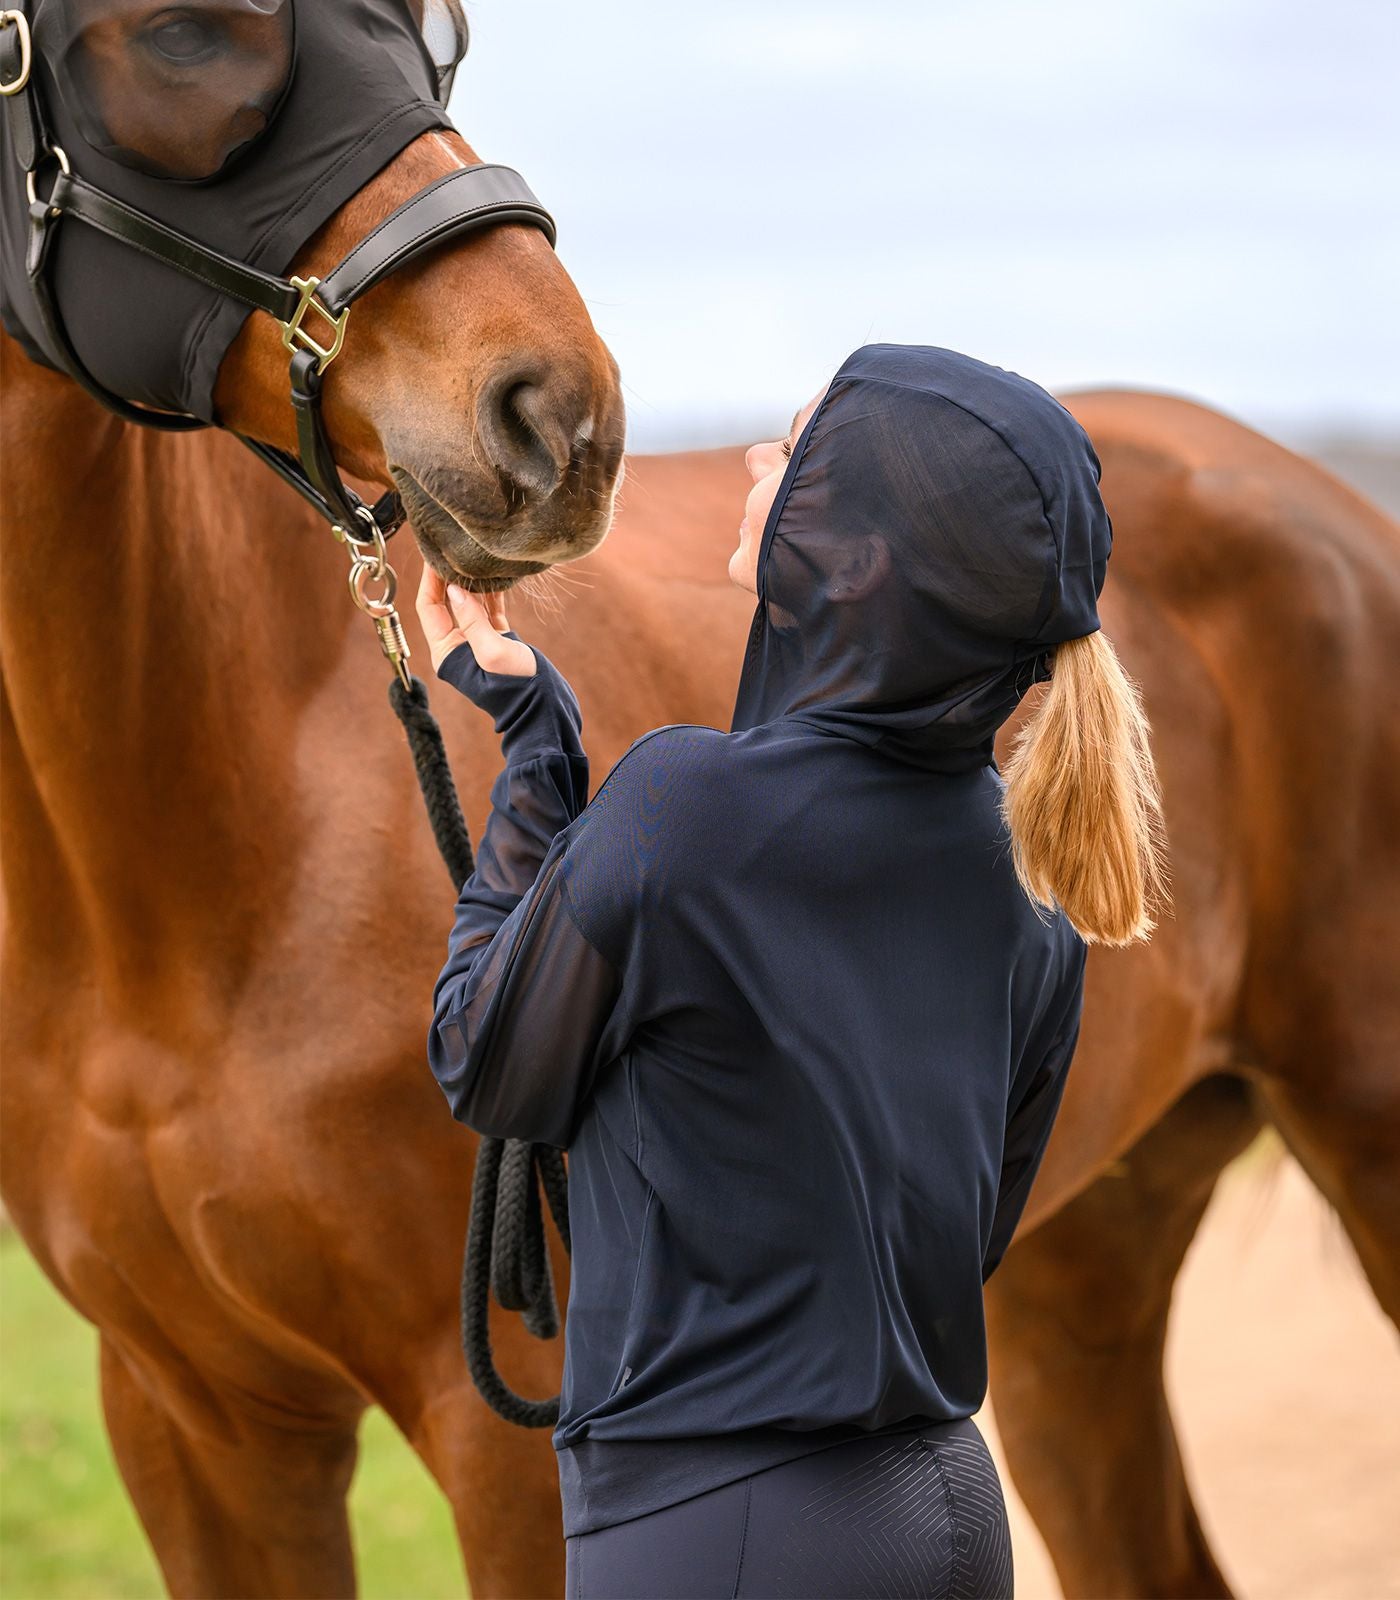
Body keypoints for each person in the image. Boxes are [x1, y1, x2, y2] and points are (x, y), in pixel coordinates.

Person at [417, 344, 1168, 1599]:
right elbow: (958, 1235)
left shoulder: (678, 804)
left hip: (713, 1529)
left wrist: (536, 763)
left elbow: (484, 1061)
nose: (760, 460)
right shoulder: (1037, 876)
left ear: (857, 553)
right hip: (943, 1510)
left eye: (797, 450)